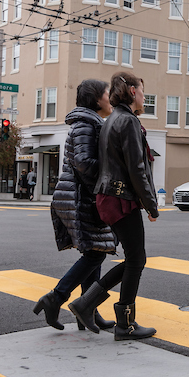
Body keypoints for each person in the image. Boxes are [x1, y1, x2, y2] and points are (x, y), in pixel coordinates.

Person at [68, 71, 159, 341]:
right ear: (132, 91)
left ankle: (87, 303)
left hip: (110, 197)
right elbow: (136, 168)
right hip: (120, 198)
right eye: (142, 91)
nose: (144, 96)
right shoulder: (128, 121)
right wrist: (151, 205)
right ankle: (124, 324)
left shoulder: (113, 119)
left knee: (134, 258)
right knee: (136, 259)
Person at [34, 80, 118, 331]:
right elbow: (82, 162)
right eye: (107, 94)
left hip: (81, 195)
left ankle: (88, 310)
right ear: (96, 99)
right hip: (81, 197)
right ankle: (56, 298)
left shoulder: (91, 124)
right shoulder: (86, 125)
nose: (110, 98)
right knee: (96, 252)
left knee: (95, 251)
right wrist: (107, 175)